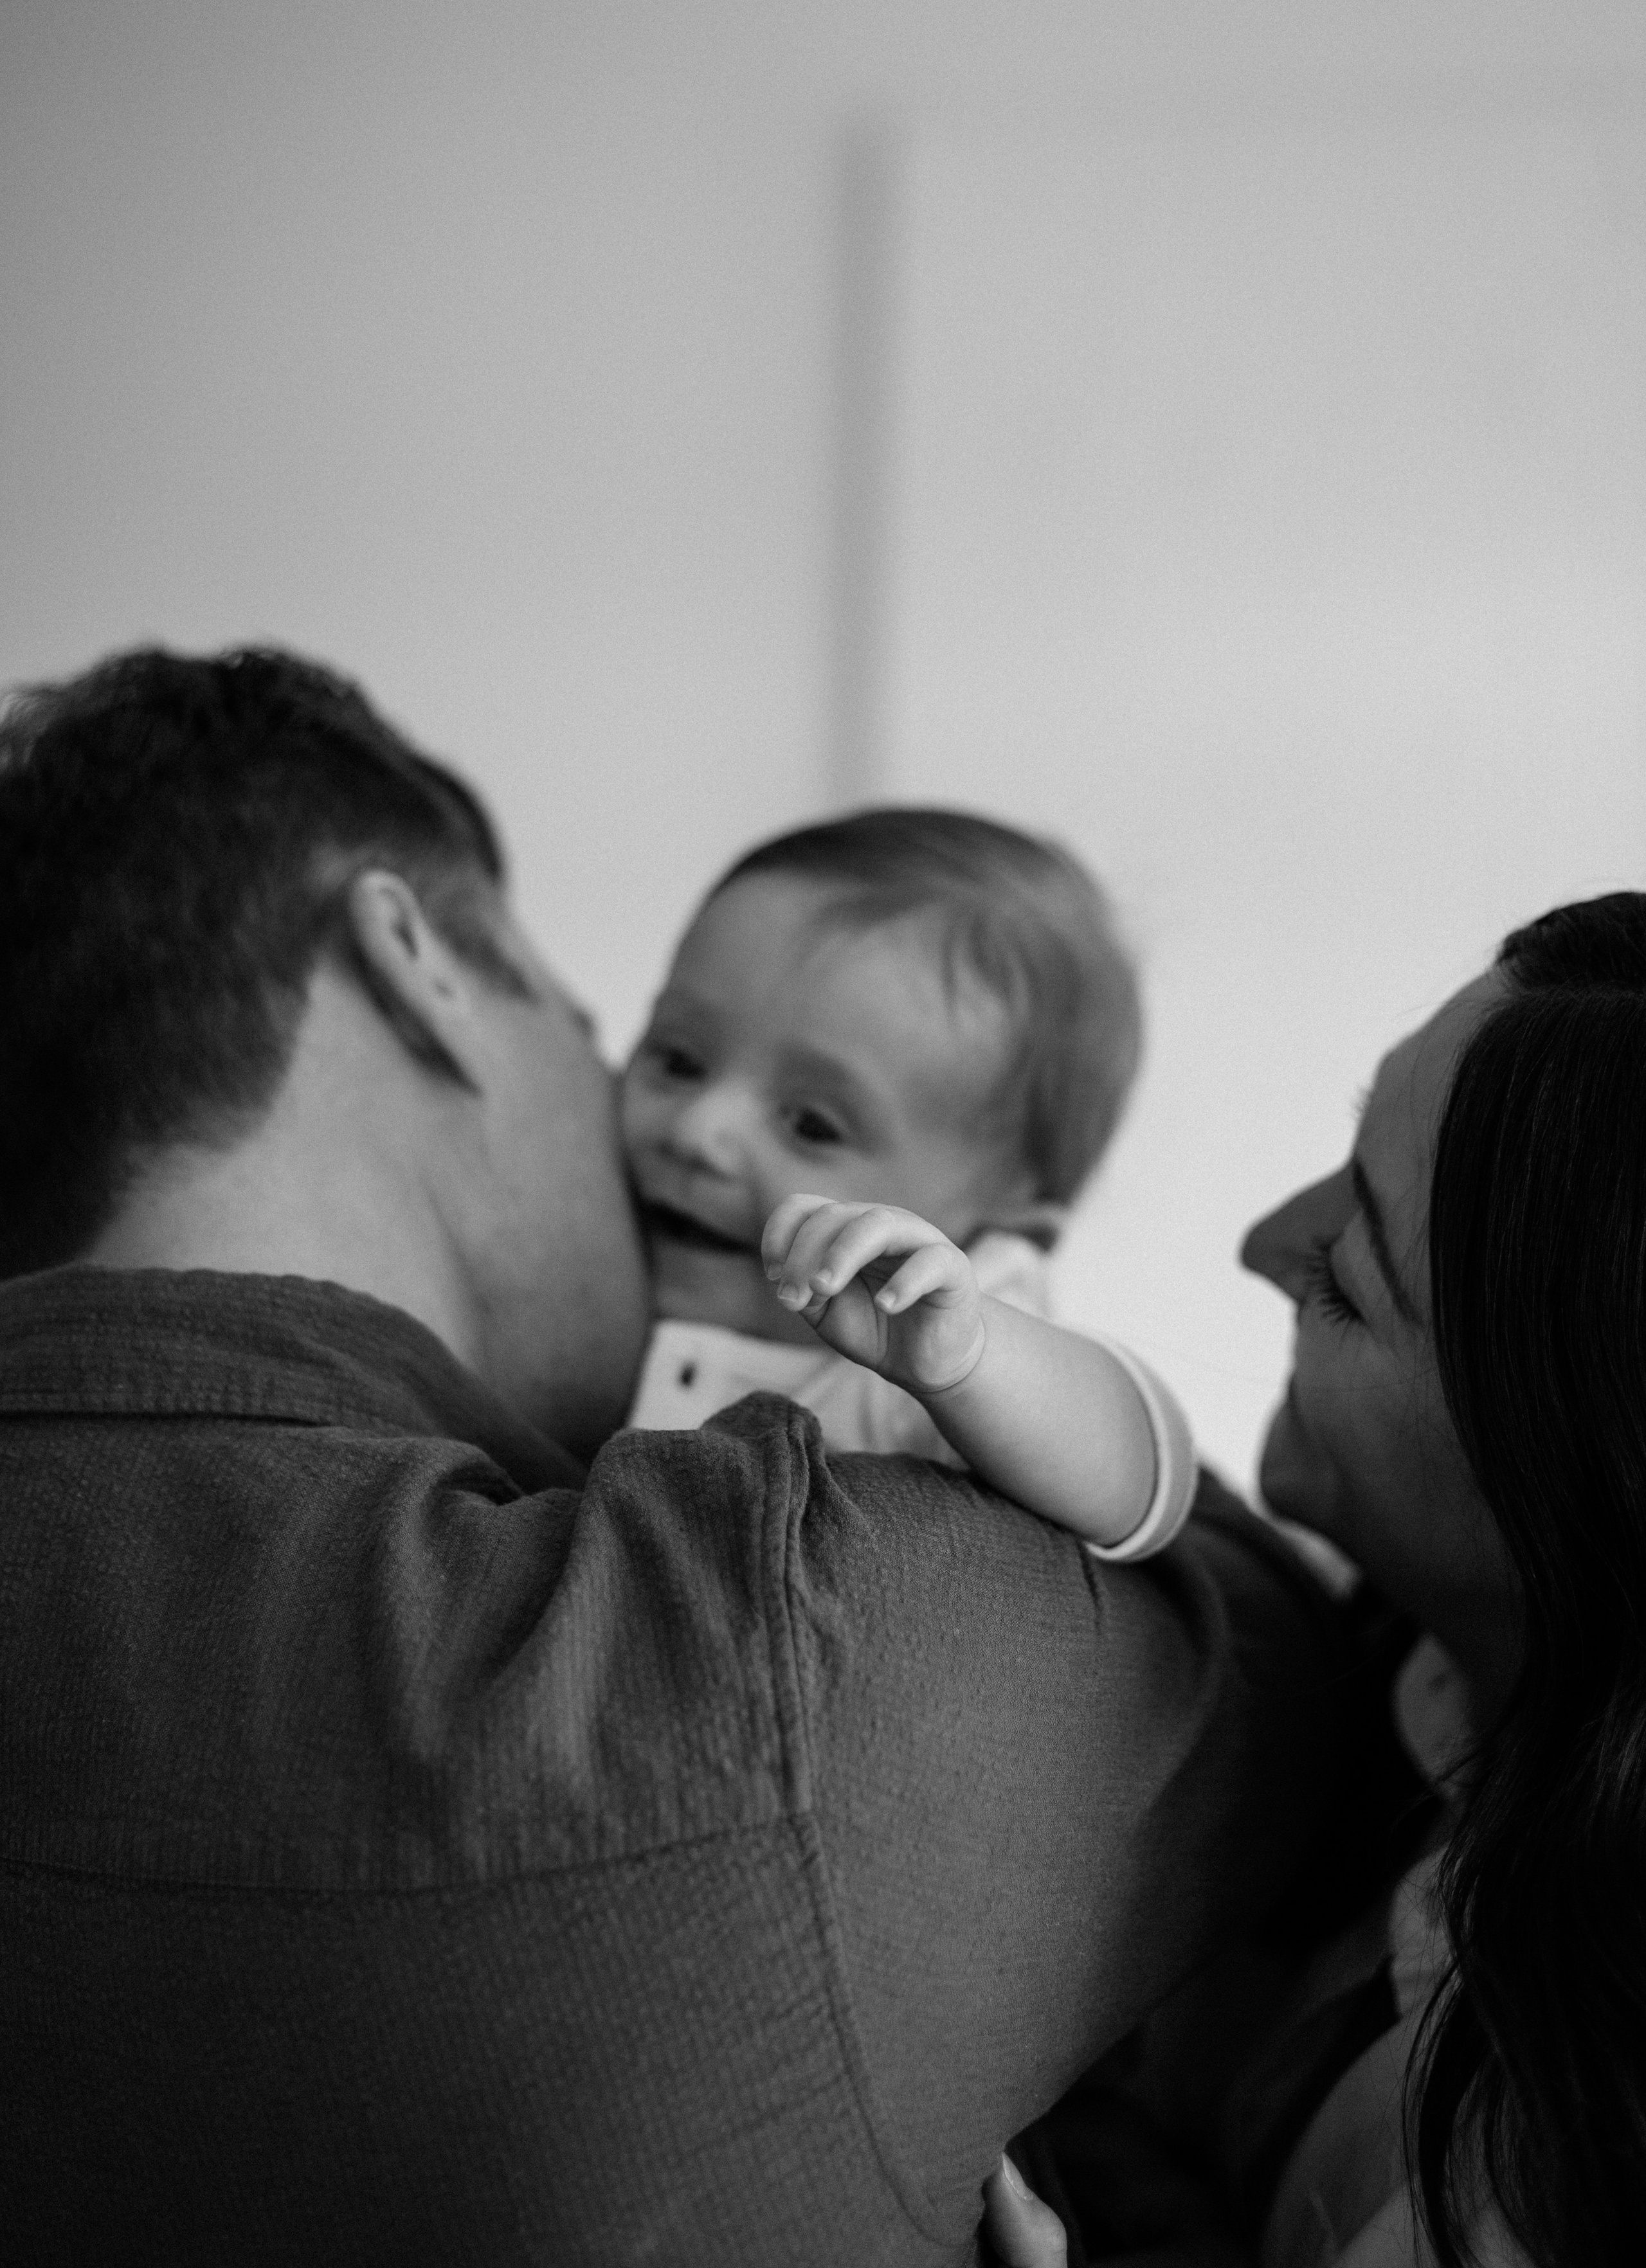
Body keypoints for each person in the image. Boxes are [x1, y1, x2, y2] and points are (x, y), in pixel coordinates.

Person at [0, 645, 1355, 2268]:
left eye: (810, 1118)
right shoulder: (756, 1626)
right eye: (636, 1043)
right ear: (412, 957)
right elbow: (1280, 1654)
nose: (689, 1141)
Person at [1021, 896, 1646, 2267]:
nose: (1261, 1241)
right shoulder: (1367, 1669)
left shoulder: (1547, 2178)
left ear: (1557, 1492)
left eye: (1348, 1281)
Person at [625, 813, 1195, 1556]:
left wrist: (966, 1361)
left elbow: (1147, 1474)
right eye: (678, 1061)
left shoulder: (913, 1366)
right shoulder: (608, 1259)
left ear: (995, 1228)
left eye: (811, 1124)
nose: (697, 1130)